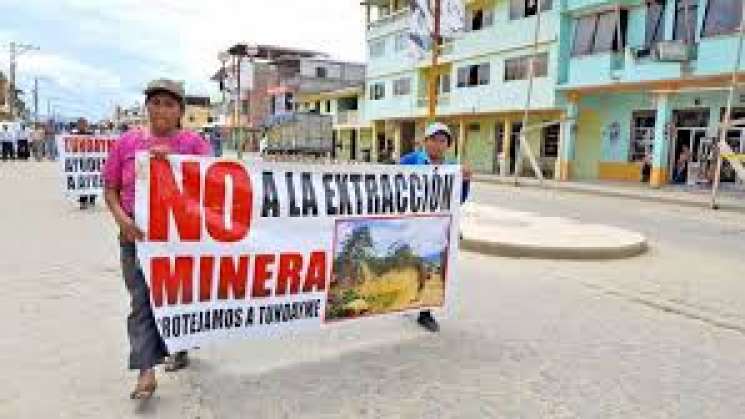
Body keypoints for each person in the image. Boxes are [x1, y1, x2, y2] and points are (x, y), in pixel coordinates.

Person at [103, 79, 211, 400]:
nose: (162, 109)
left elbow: (213, 183)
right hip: (135, 239)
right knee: (141, 302)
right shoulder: (126, 143)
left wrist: (179, 166)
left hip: (180, 240)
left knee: (179, 298)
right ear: (146, 106)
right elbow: (110, 190)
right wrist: (124, 221)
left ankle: (179, 347)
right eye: (156, 102)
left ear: (180, 111)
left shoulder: (193, 145)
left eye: (170, 104)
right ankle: (145, 371)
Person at [399, 122, 471, 332]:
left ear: (448, 145)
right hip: (412, 224)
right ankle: (404, 299)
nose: (437, 145)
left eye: (443, 141)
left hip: (436, 229)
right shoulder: (409, 161)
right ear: (425, 141)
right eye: (433, 139)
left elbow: (459, 200)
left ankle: (425, 313)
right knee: (408, 263)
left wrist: (465, 181)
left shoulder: (452, 169)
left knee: (431, 268)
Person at [73, 118, 99, 209]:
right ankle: (83, 200)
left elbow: (97, 146)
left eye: (83, 124)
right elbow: (72, 148)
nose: (82, 126)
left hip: (91, 160)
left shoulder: (92, 135)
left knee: (92, 179)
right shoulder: (74, 136)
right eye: (80, 124)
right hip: (80, 160)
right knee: (82, 180)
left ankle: (92, 198)